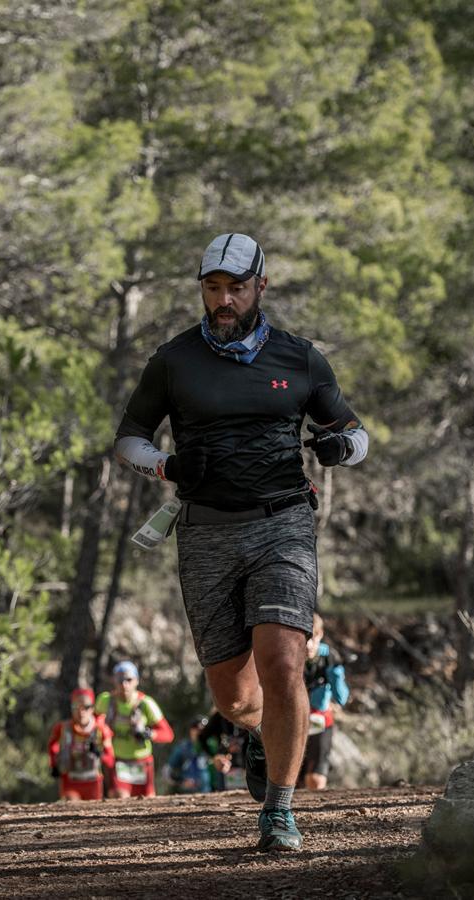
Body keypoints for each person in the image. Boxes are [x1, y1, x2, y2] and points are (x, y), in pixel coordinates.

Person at [114, 233, 368, 850]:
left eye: (235, 288)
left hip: (283, 522)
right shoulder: (173, 361)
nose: (224, 301)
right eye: (212, 288)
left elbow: (357, 434)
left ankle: (280, 811)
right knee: (232, 696)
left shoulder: (300, 359)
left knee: (285, 662)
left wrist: (340, 447)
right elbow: (129, 440)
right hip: (205, 532)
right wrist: (165, 467)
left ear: (261, 286)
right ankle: (254, 733)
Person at [94, 661, 173, 798]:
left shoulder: (146, 703)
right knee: (119, 797)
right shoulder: (105, 701)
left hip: (142, 763)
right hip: (118, 762)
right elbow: (92, 723)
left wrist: (149, 733)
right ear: (114, 680)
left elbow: (168, 734)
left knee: (147, 802)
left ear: (136, 681)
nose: (124, 684)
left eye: (128, 680)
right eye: (120, 680)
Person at [300, 613, 349, 790]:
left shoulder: (329, 657)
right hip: (293, 723)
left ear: (319, 634)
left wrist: (334, 671)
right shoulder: (289, 655)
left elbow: (341, 697)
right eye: (303, 638)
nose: (308, 645)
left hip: (319, 722)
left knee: (315, 780)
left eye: (312, 637)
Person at [47, 688, 114, 801]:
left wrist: (99, 753)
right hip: (70, 782)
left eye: (86, 707)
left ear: (92, 708)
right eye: (76, 707)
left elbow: (110, 760)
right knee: (72, 805)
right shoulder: (62, 728)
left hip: (93, 783)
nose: (81, 712)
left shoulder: (101, 730)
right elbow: (52, 746)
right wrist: (55, 764)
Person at [198, 710, 249, 793]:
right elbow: (202, 737)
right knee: (224, 796)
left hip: (247, 766)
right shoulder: (218, 716)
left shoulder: (250, 713)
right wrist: (214, 756)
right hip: (225, 767)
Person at [165, 716, 212, 794]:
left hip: (209, 793)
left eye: (203, 729)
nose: (199, 732)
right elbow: (168, 770)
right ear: (191, 730)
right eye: (196, 728)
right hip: (187, 794)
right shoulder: (183, 748)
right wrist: (181, 781)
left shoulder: (212, 747)